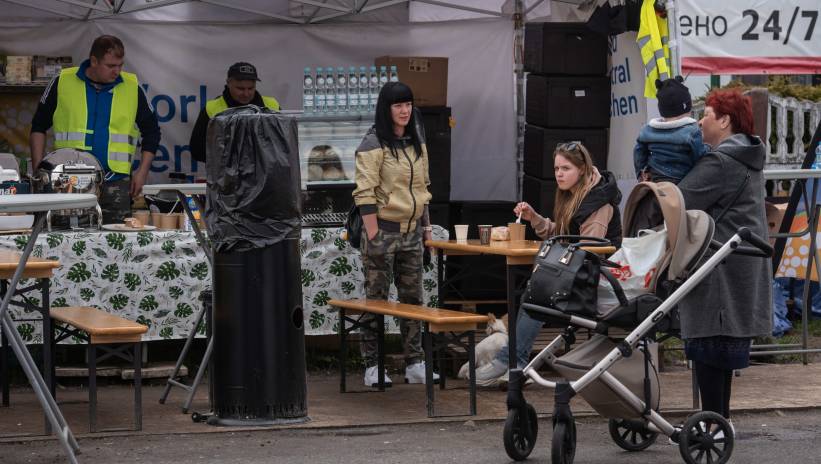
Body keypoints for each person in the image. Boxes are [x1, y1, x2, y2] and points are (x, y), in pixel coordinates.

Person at [475, 142, 622, 386]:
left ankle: (512, 362)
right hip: (578, 272)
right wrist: (534, 218)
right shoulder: (573, 195)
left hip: (597, 280)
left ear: (583, 169)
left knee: (539, 291)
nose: (559, 174)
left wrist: (555, 265)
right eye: (556, 169)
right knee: (535, 289)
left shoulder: (598, 202)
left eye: (566, 168)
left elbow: (590, 249)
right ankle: (512, 362)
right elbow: (562, 235)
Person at [675, 89, 772, 431]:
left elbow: (680, 199)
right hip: (740, 261)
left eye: (706, 115)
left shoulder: (720, 162)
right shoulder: (748, 156)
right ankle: (719, 421)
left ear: (725, 120)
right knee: (720, 346)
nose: (699, 122)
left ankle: (713, 425)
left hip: (719, 264)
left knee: (708, 343)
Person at [352, 81, 438, 387]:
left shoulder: (416, 141)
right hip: (383, 230)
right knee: (376, 300)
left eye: (408, 104)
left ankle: (414, 362)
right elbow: (364, 192)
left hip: (412, 232)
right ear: (385, 109)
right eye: (398, 105)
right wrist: (373, 233)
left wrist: (426, 230)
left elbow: (423, 188)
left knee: (413, 299)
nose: (405, 111)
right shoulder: (373, 142)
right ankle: (372, 366)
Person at [30, 34, 161, 223]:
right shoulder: (62, 81)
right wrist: (38, 172)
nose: (117, 71)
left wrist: (142, 172)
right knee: (65, 237)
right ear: (93, 61)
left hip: (115, 182)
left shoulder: (132, 87)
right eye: (111, 66)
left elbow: (152, 132)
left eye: (120, 65)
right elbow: (38, 126)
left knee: (116, 238)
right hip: (68, 182)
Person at [189, 62, 280, 164]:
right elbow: (197, 150)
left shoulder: (272, 106)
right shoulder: (211, 109)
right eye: (240, 89)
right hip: (226, 174)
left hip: (266, 173)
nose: (246, 94)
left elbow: (282, 145)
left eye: (251, 88)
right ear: (228, 83)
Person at [634, 76, 707, 183]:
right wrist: (709, 147)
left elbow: (638, 151)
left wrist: (641, 172)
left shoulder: (648, 130)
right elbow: (700, 156)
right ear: (686, 107)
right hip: (681, 180)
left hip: (655, 178)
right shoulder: (691, 131)